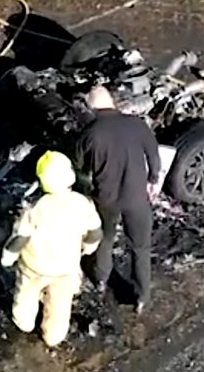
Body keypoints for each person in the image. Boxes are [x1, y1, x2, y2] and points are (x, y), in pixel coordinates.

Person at [0, 150, 103, 347]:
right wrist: (88, 247)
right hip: (65, 268)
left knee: (25, 296)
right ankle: (53, 336)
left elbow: (20, 238)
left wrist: (7, 258)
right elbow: (96, 232)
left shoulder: (35, 207)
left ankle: (25, 323)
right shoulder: (82, 203)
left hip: (33, 267)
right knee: (60, 305)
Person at [73, 85, 161, 314]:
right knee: (140, 247)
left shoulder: (89, 134)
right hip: (137, 199)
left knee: (105, 239)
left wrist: (86, 191)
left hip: (106, 200)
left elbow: (81, 171)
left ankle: (101, 279)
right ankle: (141, 296)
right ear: (112, 101)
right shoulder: (137, 124)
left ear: (91, 108)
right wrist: (152, 180)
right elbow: (154, 157)